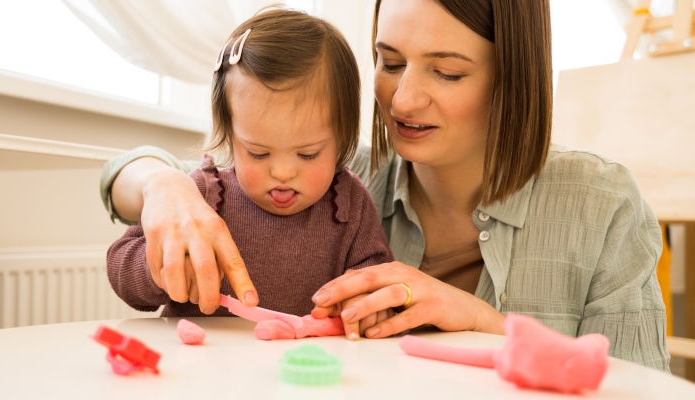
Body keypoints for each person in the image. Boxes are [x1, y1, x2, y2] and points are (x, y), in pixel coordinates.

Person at [101, 0, 669, 370]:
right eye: (390, 61)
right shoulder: (328, 171)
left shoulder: (602, 206)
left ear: (513, 76)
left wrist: (486, 324)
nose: (402, 100)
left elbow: (638, 385)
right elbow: (140, 177)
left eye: (446, 71)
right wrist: (162, 186)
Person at [105, 8, 394, 336]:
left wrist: (367, 304)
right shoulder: (203, 195)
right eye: (258, 152)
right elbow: (120, 268)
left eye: (308, 153)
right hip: (201, 370)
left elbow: (378, 280)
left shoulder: (350, 206)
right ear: (230, 134)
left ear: (343, 138)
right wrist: (163, 266)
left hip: (302, 372)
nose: (283, 172)